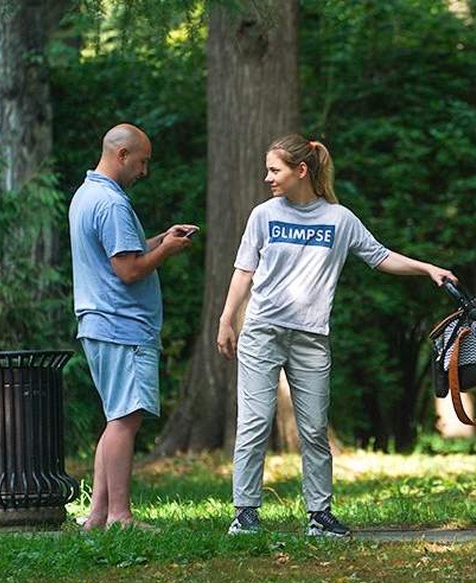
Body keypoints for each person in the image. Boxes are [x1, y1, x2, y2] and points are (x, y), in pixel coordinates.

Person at [216, 134, 456, 537]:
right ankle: (245, 513)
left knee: (313, 428)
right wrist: (226, 319)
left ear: (301, 171)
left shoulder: (338, 220)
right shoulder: (263, 215)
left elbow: (380, 256)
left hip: (310, 338)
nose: (267, 178)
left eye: (275, 170)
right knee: (254, 423)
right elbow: (244, 270)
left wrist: (427, 268)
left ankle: (319, 514)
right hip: (262, 332)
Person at [69, 123, 198, 530]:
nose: (144, 171)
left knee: (116, 418)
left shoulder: (86, 195)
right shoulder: (112, 203)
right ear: (122, 155)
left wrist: (161, 238)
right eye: (142, 162)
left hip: (99, 322)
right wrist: (168, 250)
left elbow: (124, 250)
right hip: (121, 325)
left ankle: (98, 516)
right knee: (127, 418)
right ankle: (121, 516)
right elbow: (129, 270)